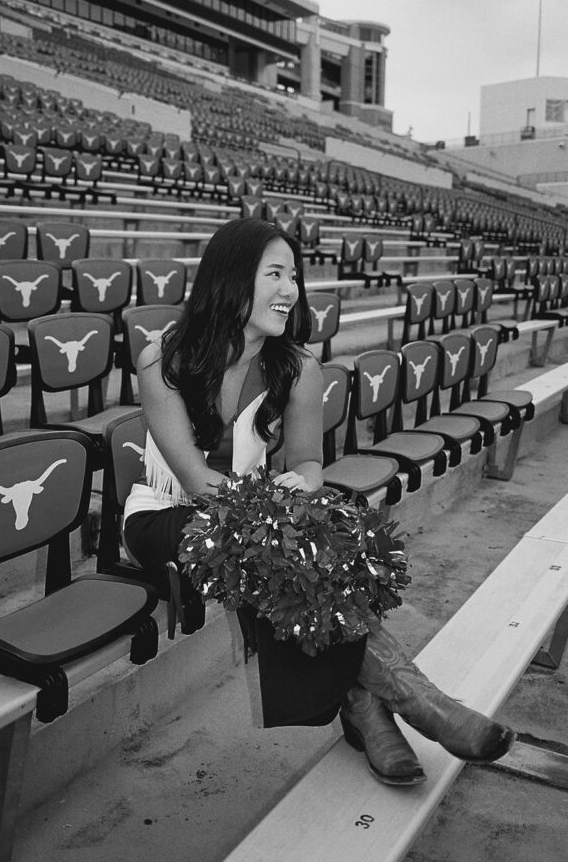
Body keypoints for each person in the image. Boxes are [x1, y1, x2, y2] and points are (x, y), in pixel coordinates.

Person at [122, 218, 515, 786]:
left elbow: (308, 465)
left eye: (295, 277)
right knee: (284, 545)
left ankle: (367, 707)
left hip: (251, 520)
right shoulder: (163, 359)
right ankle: (419, 701)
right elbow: (197, 479)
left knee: (313, 537)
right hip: (167, 515)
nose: (292, 290)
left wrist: (299, 488)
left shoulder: (299, 367)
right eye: (275, 274)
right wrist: (276, 510)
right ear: (231, 279)